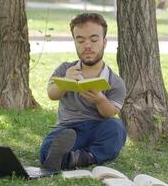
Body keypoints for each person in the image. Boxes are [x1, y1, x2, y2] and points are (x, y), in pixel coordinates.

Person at [39, 13, 127, 171]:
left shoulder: (115, 82)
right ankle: (75, 158)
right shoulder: (65, 69)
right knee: (46, 151)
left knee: (117, 128)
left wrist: (100, 100)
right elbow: (52, 94)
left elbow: (110, 113)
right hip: (68, 130)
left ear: (104, 42)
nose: (87, 46)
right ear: (75, 42)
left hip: (98, 128)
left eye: (93, 40)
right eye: (80, 40)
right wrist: (65, 82)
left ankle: (86, 157)